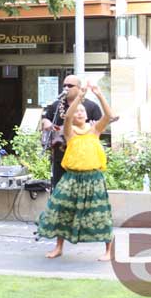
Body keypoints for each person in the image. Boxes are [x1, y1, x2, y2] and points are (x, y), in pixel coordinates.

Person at [37, 84, 114, 261]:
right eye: (77, 111)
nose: (79, 113)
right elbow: (68, 116)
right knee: (62, 209)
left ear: (87, 114)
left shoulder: (95, 130)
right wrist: (80, 97)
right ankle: (59, 247)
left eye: (82, 111)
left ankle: (109, 250)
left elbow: (109, 116)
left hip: (93, 178)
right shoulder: (69, 132)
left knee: (100, 213)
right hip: (72, 177)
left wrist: (100, 95)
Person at [41, 75, 102, 189]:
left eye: (70, 85)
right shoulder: (57, 105)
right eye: (64, 85)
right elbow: (45, 118)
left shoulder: (91, 106)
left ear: (79, 88)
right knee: (59, 187)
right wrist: (46, 122)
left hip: (81, 157)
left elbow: (99, 125)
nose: (66, 88)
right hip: (60, 154)